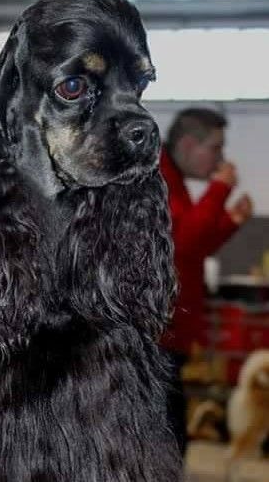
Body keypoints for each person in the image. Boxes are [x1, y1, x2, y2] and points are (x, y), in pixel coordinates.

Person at [160, 108, 253, 454]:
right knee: (169, 432)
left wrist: (228, 223)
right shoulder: (158, 177)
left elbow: (191, 250)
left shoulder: (173, 179)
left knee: (172, 430)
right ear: (187, 145)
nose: (220, 159)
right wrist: (219, 189)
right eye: (215, 148)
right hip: (157, 335)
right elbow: (182, 244)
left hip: (169, 331)